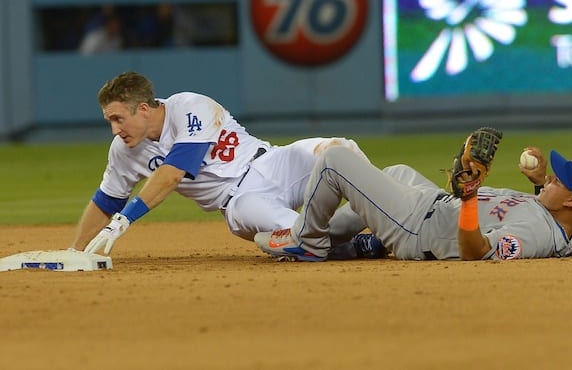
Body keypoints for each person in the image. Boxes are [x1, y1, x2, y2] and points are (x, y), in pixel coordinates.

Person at [72, 71, 368, 255]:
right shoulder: (124, 150)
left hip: (274, 163)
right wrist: (77, 250)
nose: (114, 129)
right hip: (239, 202)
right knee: (293, 229)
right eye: (110, 120)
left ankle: (387, 215)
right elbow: (106, 201)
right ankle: (357, 246)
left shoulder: (189, 106)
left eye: (118, 119)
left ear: (144, 109)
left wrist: (126, 218)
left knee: (340, 150)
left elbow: (173, 172)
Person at [253, 131, 572, 261]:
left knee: (334, 161)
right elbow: (563, 231)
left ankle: (309, 241)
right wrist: (537, 185)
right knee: (397, 171)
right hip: (431, 207)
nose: (550, 176)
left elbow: (476, 252)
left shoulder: (536, 234)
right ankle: (341, 242)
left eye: (557, 180)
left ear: (571, 201)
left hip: (416, 228)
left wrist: (469, 200)